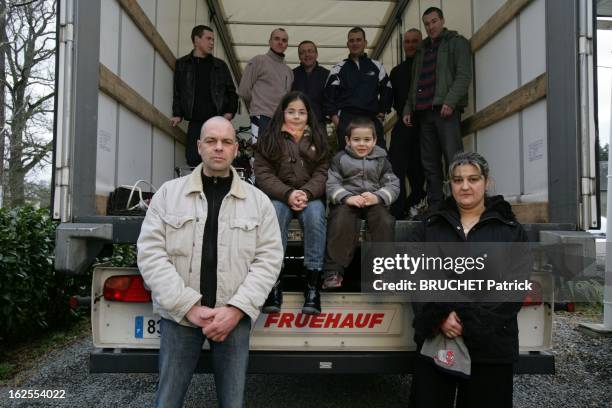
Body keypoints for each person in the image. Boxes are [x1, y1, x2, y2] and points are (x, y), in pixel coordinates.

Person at [137, 117, 283, 408]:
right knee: (167, 401)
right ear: (199, 146)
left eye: (226, 142)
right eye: (211, 141)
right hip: (180, 316)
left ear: (236, 148)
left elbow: (269, 259)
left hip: (233, 319)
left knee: (232, 402)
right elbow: (150, 253)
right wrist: (187, 306)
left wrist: (237, 309)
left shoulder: (258, 202)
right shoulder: (168, 194)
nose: (219, 148)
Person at [409, 151, 529, 408]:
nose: (465, 186)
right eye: (457, 180)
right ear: (449, 184)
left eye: (473, 179)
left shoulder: (509, 230)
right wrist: (440, 316)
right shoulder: (429, 227)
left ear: (487, 182)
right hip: (437, 340)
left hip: (491, 345)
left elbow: (513, 286)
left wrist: (472, 323)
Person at [253, 91, 329, 314]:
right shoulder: (270, 137)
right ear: (282, 113)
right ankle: (274, 284)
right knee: (274, 214)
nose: (296, 116)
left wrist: (305, 192)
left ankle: (313, 287)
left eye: (302, 112)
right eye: (291, 112)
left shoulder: (317, 136)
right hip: (280, 196)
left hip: (310, 196)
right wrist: (287, 194)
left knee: (316, 216)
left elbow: (324, 171)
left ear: (309, 115)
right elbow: (263, 173)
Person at [402, 7, 472, 211]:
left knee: (454, 160)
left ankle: (459, 206)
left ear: (442, 21)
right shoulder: (422, 50)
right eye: (427, 23)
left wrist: (450, 101)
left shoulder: (456, 43)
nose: (430, 26)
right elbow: (415, 83)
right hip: (425, 113)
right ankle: (436, 209)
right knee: (430, 164)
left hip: (446, 111)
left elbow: (464, 75)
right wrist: (408, 108)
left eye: (434, 21)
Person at [324, 117, 399, 288]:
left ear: (374, 140)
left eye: (367, 139)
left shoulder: (382, 160)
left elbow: (393, 184)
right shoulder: (340, 159)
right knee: (340, 221)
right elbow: (331, 183)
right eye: (356, 140)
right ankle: (333, 271)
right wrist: (346, 197)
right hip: (347, 202)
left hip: (373, 202)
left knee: (385, 221)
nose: (362, 144)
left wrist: (378, 197)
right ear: (347, 140)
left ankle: (383, 273)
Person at [171, 25, 238, 167]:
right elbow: (178, 91)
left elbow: (232, 92)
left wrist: (229, 114)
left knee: (218, 158)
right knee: (193, 159)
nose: (212, 43)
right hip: (195, 122)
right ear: (196, 40)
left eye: (213, 40)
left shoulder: (220, 65)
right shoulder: (182, 64)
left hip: (216, 121)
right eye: (208, 39)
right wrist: (177, 114)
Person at [325, 26, 392, 150]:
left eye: (358, 40)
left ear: (365, 43)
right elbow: (329, 95)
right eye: (352, 40)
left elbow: (387, 89)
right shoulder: (338, 68)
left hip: (372, 120)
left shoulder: (377, 66)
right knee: (347, 163)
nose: (355, 43)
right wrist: (336, 120)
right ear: (347, 44)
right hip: (347, 120)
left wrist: (382, 112)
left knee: (378, 160)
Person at [388, 28, 426, 220]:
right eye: (407, 42)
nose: (410, 45)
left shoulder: (428, 67)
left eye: (414, 41)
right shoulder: (396, 72)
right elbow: (392, 100)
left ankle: (417, 204)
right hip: (402, 126)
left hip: (424, 125)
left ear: (421, 42)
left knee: (420, 170)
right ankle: (398, 210)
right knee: (396, 168)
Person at [238, 28, 293, 141]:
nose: (280, 42)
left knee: (276, 157)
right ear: (269, 41)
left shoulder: (289, 71)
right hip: (261, 117)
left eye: (284, 40)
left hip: (280, 121)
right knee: (259, 154)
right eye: (276, 39)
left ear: (287, 45)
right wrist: (256, 109)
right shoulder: (258, 61)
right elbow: (244, 90)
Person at [291, 40, 330, 126]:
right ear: (299, 56)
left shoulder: (327, 75)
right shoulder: (292, 75)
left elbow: (331, 101)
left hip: (319, 125)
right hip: (296, 125)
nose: (307, 55)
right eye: (302, 52)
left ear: (316, 54)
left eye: (310, 51)